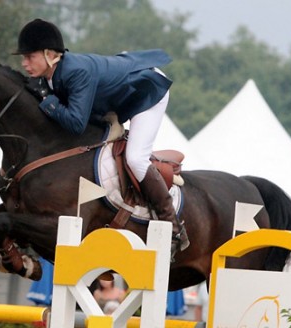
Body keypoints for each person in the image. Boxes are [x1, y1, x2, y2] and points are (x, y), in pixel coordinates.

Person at [14, 18, 189, 257]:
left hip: (146, 91)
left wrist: (49, 100)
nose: (24, 63)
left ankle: (173, 225)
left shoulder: (75, 72)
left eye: (29, 57)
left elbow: (76, 123)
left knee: (136, 158)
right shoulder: (49, 75)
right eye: (23, 58)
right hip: (115, 93)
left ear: (48, 54)